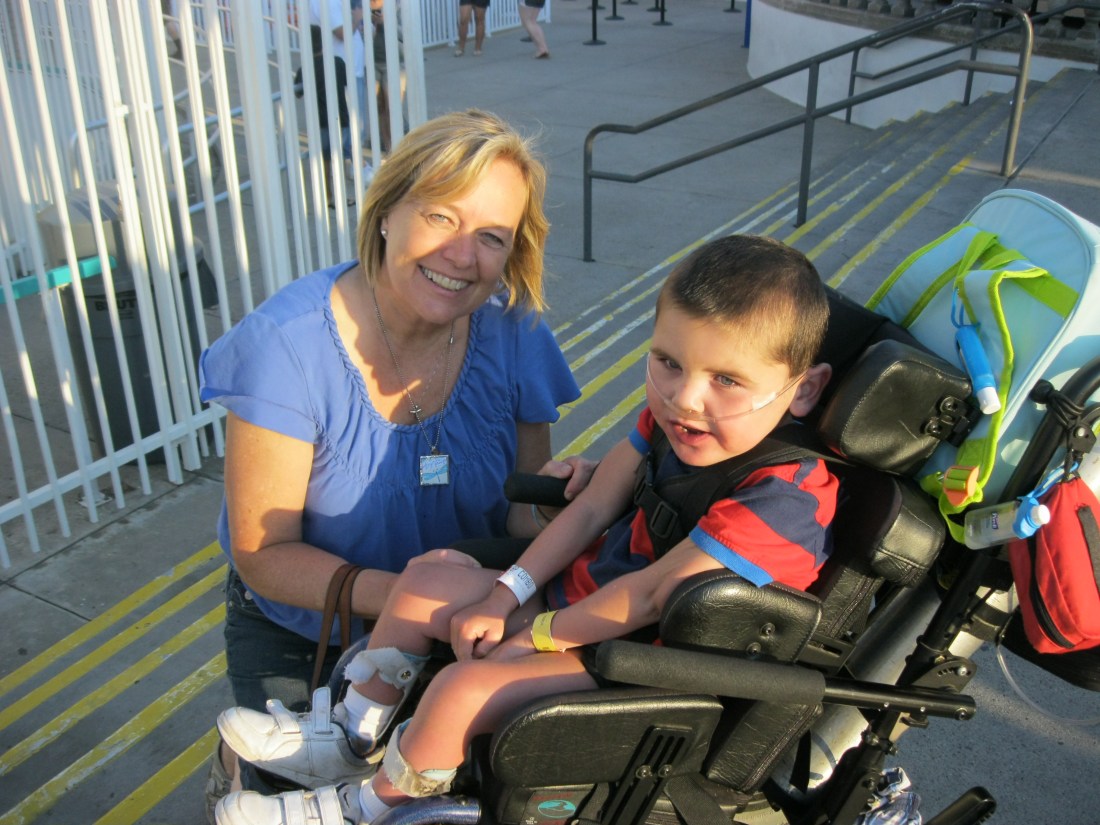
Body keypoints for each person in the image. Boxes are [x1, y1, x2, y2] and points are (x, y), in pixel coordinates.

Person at [212, 234, 840, 825]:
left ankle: (368, 807)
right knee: (426, 580)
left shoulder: (784, 499)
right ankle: (353, 732)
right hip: (576, 606)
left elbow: (652, 596)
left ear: (803, 390)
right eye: (668, 363)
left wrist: (538, 635)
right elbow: (592, 507)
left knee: (462, 690)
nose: (685, 398)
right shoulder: (669, 424)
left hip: (640, 656)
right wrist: (506, 592)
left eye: (726, 381)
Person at [197, 109, 594, 819]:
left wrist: (568, 500)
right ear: (387, 212)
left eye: (491, 238)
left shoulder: (516, 333)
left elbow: (519, 515)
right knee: (297, 801)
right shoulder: (284, 347)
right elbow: (264, 553)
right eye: (441, 216)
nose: (461, 255)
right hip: (306, 633)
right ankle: (238, 764)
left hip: (456, 626)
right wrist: (423, 600)